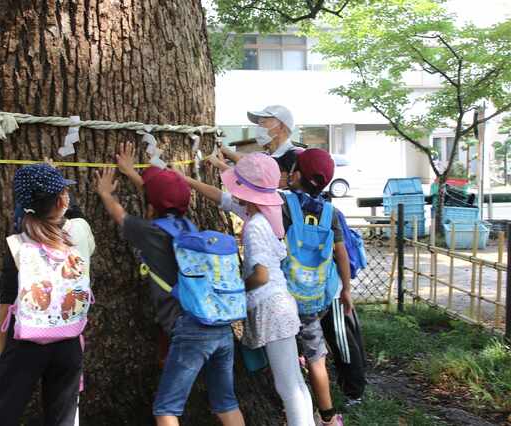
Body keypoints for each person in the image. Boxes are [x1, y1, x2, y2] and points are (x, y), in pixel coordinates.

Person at [95, 157, 245, 426]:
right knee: (226, 402)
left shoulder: (149, 232)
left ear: (150, 205)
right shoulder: (190, 229)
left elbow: (121, 215)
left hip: (190, 331)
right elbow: (164, 199)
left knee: (166, 408)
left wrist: (106, 193)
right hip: (221, 326)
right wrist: (133, 175)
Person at [182, 152, 315, 426]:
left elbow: (261, 275)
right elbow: (222, 199)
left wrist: (238, 290)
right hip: (282, 304)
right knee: (295, 383)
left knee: (287, 386)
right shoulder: (266, 213)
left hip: (271, 307)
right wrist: (185, 180)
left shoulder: (254, 226)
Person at [0, 164, 96, 426]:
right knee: (63, 418)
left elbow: (6, 306)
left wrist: (2, 353)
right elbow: (74, 215)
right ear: (63, 199)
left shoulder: (17, 245)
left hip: (25, 345)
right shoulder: (79, 235)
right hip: (69, 342)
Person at [281, 148, 353, 426]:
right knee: (317, 359)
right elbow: (341, 253)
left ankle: (295, 414)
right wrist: (346, 289)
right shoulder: (330, 212)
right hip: (315, 298)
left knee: (286, 358)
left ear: (296, 174)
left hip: (287, 295)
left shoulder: (284, 205)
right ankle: (328, 417)